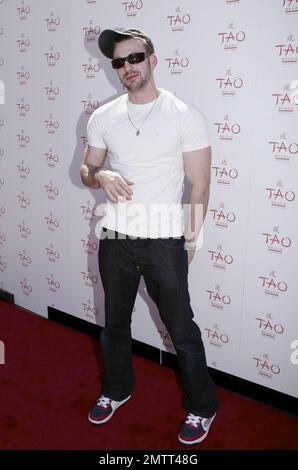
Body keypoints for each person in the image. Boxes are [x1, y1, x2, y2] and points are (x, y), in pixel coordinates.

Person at [80, 27, 219, 445]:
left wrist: (190, 242)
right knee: (114, 325)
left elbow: (199, 185)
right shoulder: (103, 116)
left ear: (152, 59)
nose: (127, 68)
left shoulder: (183, 114)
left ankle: (202, 407)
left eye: (134, 58)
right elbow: (86, 172)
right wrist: (100, 174)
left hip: (164, 241)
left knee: (182, 331)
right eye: (118, 62)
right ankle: (117, 389)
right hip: (115, 240)